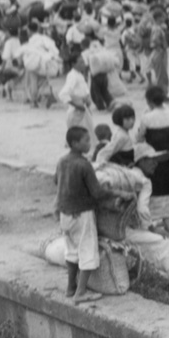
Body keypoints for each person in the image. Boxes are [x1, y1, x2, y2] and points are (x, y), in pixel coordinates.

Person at [54, 125, 113, 303]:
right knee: (87, 250)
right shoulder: (84, 164)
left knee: (71, 250)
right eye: (86, 140)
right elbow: (97, 192)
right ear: (75, 143)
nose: (89, 143)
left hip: (65, 213)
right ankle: (81, 292)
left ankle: (70, 287)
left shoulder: (62, 161)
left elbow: (56, 181)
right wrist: (114, 192)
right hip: (82, 214)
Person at [135, 84, 169, 239]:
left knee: (159, 199)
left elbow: (139, 139)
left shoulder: (147, 118)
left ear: (149, 101)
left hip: (158, 163)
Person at [58, 53, 97, 151]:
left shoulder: (79, 75)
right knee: (79, 135)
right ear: (73, 64)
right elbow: (63, 94)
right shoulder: (73, 76)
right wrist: (76, 105)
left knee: (88, 133)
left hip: (83, 109)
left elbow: (84, 90)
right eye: (80, 62)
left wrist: (87, 98)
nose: (83, 64)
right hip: (76, 111)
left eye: (83, 62)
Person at [95, 103, 137, 167]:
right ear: (119, 120)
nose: (132, 121)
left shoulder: (123, 131)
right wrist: (100, 164)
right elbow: (107, 151)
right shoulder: (121, 136)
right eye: (128, 119)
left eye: (133, 118)